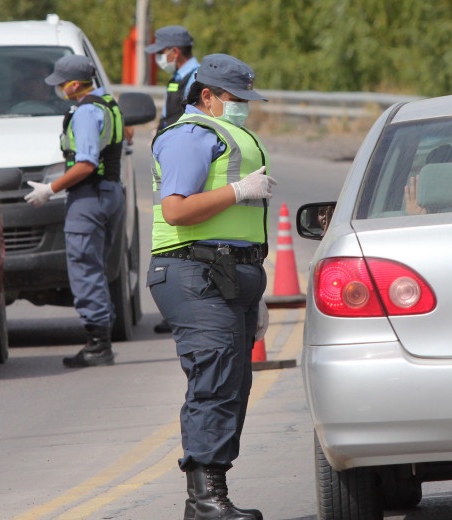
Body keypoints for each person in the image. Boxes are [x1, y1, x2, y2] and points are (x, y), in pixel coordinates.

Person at [148, 54, 275, 520]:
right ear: (207, 96)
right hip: (192, 271)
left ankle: (209, 495)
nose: (243, 106)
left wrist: (253, 292)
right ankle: (205, 499)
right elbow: (177, 210)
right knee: (215, 379)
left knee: (233, 384)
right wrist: (240, 191)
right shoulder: (190, 137)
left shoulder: (221, 134)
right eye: (235, 98)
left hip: (226, 274)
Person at [24, 55, 126, 368]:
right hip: (110, 191)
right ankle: (102, 338)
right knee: (98, 268)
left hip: (89, 196)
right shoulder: (108, 103)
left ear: (73, 84)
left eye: (60, 84)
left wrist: (49, 189)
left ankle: (98, 345)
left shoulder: (85, 113)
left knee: (84, 269)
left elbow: (85, 163)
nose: (57, 89)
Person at [145, 25, 201, 334]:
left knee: (183, 230)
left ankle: (185, 304)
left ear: (174, 52)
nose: (159, 59)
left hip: (184, 161)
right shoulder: (179, 77)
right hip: (172, 156)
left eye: (161, 52)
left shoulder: (195, 78)